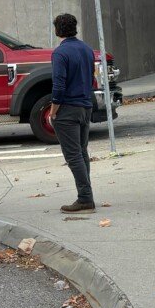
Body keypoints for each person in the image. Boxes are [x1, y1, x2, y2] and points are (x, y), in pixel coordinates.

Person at [47, 12, 97, 212]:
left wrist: (53, 111)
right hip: (86, 106)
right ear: (74, 27)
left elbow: (58, 86)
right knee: (82, 152)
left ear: (57, 30)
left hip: (68, 109)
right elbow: (92, 78)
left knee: (73, 155)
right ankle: (87, 195)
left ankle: (85, 198)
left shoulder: (60, 53)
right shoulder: (86, 49)